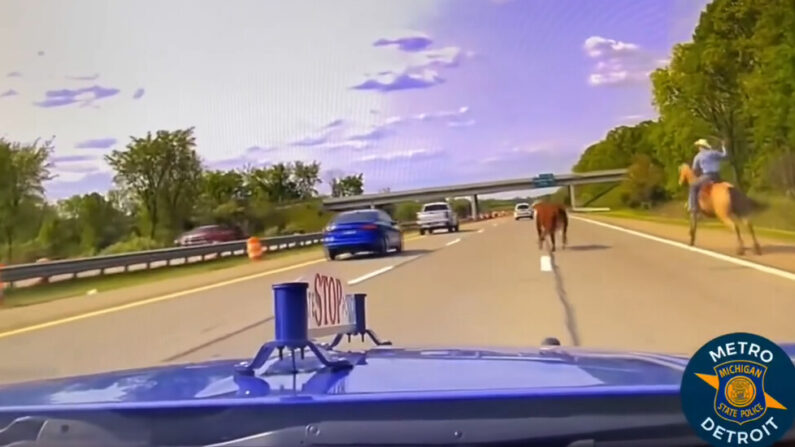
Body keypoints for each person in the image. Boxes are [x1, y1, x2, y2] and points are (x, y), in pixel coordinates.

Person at [688, 138, 727, 215]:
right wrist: (723, 146)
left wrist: (697, 174)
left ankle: (693, 208)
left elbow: (694, 169)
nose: (698, 148)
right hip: (717, 176)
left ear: (701, 147)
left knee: (693, 186)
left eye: (699, 146)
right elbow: (725, 155)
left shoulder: (698, 156)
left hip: (707, 176)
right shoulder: (713, 153)